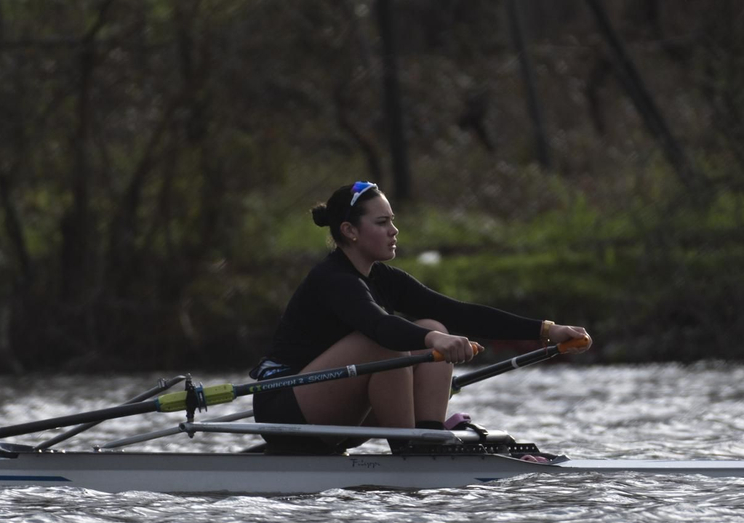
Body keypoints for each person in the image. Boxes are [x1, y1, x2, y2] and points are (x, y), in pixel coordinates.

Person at [248, 181, 592, 453]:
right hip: (284, 409)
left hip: (335, 411)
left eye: (392, 220)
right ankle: (410, 450)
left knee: (432, 324)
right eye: (382, 222)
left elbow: (459, 313)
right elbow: (380, 326)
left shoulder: (385, 279)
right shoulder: (333, 279)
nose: (394, 230)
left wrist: (547, 331)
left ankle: (428, 437)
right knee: (387, 343)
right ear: (350, 231)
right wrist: (435, 341)